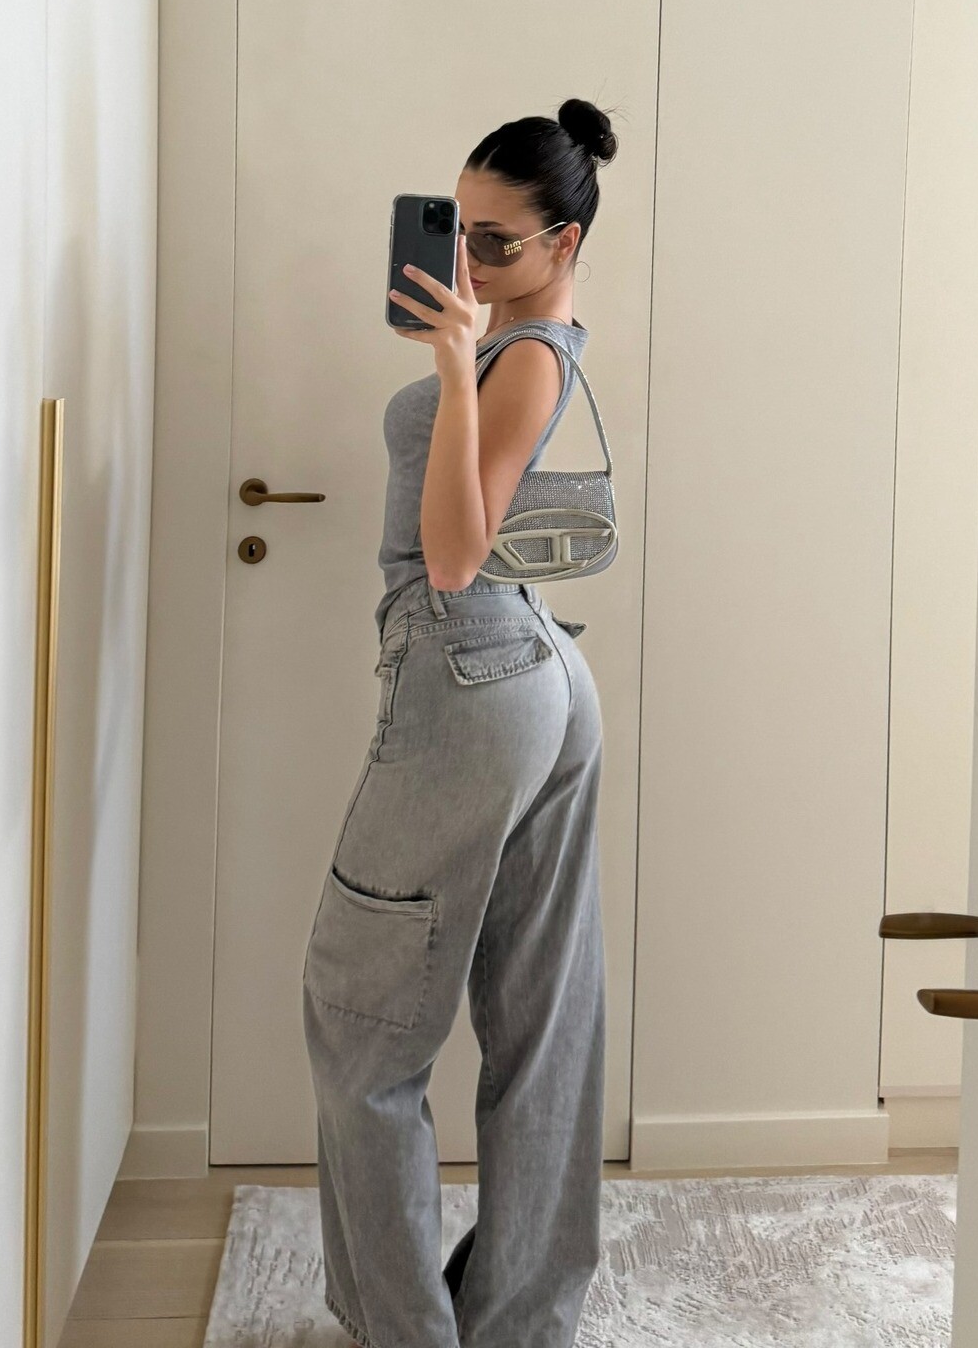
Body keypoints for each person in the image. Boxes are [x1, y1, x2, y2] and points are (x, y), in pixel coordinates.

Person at [302, 97, 619, 1348]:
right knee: (541, 1016)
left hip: (472, 672)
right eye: (457, 230)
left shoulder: (525, 354)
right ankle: (517, 1323)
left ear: (564, 243)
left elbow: (451, 554)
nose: (469, 262)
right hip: (533, 672)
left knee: (358, 1018)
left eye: (497, 241)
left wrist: (452, 364)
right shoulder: (520, 343)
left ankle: (407, 1332)